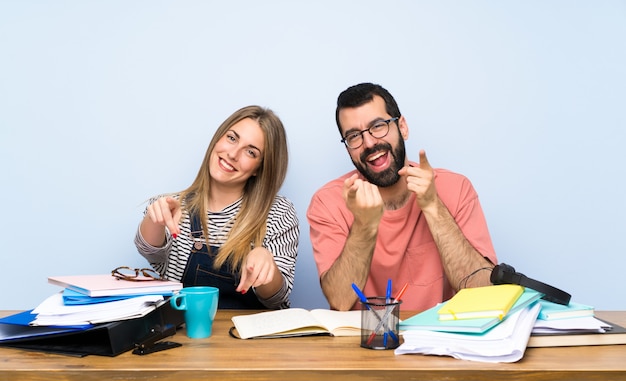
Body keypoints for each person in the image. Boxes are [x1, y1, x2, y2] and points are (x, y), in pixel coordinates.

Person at [307, 83, 498, 311]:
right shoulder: (328, 202)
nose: (369, 143)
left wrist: (432, 206)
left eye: (378, 126)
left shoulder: (456, 189)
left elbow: (484, 292)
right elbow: (339, 301)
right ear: (348, 148)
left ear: (402, 127)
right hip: (365, 343)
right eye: (354, 136)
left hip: (439, 341)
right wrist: (364, 226)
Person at [135, 105, 299, 309]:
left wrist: (267, 266)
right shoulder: (172, 207)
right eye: (232, 138)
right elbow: (149, 250)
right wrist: (155, 219)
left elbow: (275, 298)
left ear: (260, 168)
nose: (233, 154)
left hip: (252, 339)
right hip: (187, 337)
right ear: (218, 139)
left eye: (250, 152)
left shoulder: (278, 213)